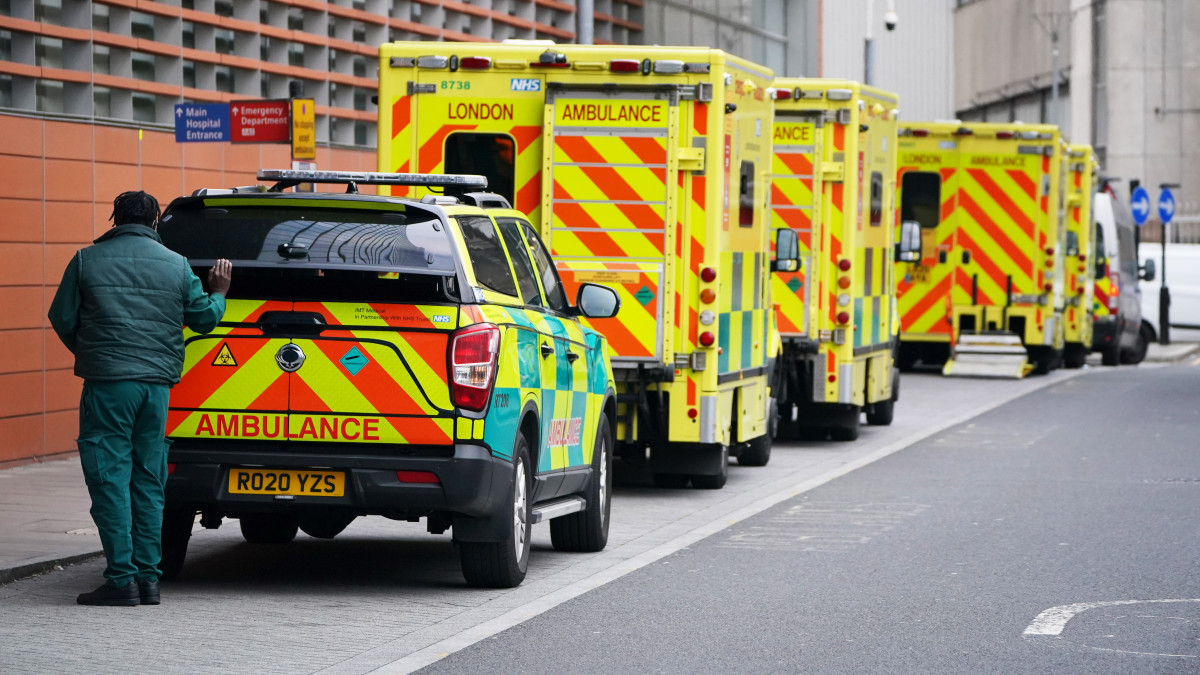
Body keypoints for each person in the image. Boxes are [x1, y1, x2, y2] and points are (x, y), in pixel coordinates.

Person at [48, 191, 232, 607]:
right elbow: (204, 319)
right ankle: (149, 580)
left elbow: (61, 318)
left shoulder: (85, 260)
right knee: (148, 481)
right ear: (154, 223)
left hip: (109, 384)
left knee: (109, 479)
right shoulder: (177, 265)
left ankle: (121, 581)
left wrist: (93, 352)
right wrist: (219, 291)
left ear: (114, 219)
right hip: (156, 388)